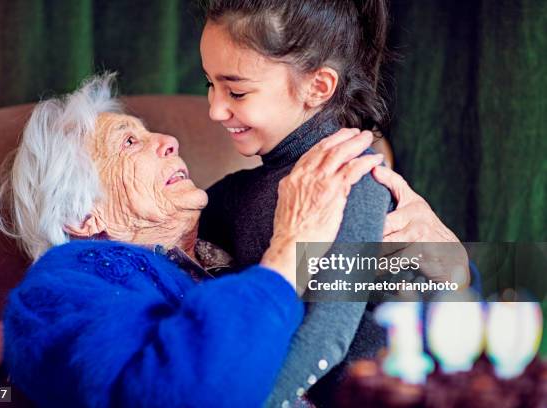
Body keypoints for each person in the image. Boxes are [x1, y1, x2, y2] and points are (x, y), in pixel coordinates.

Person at [0, 75, 384, 407]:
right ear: (83, 214)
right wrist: (288, 252)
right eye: (129, 142)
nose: (168, 140)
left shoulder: (229, 219)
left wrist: (445, 261)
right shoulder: (59, 288)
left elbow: (370, 287)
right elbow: (178, 392)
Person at [196, 1, 471, 405]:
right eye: (209, 84)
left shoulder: (355, 180)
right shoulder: (233, 194)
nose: (215, 109)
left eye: (236, 90)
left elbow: (328, 337)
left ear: (318, 87)